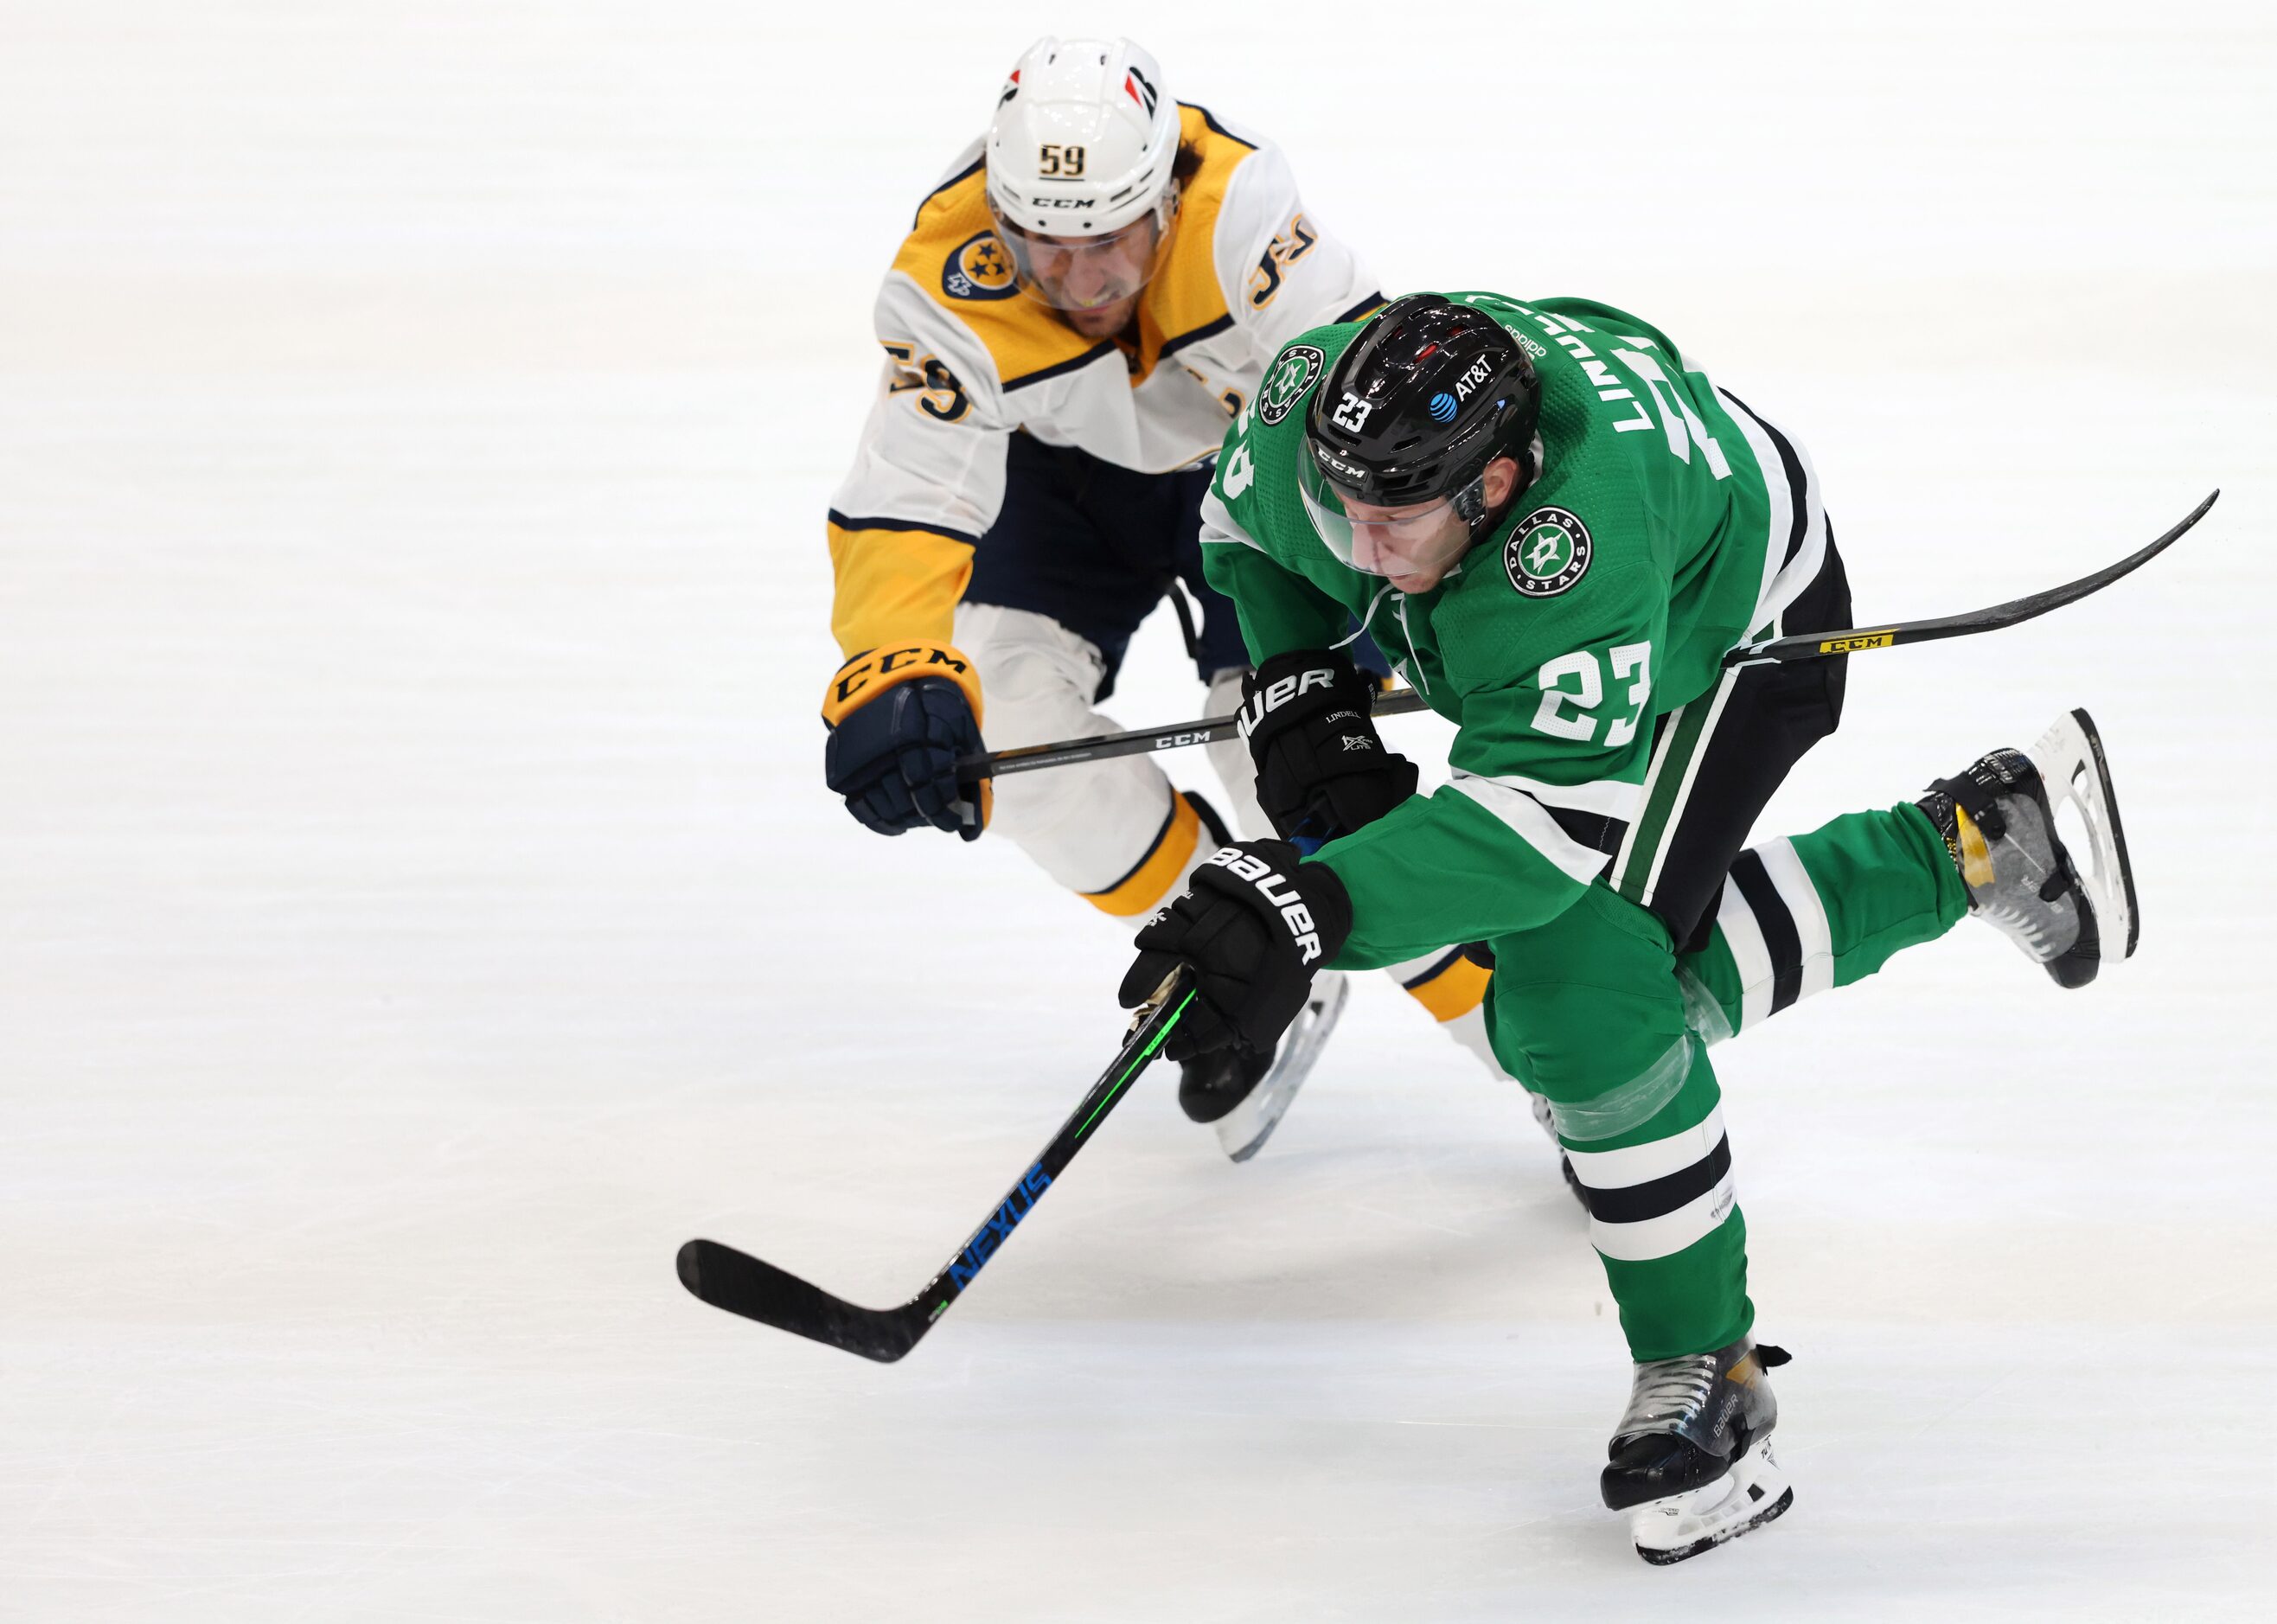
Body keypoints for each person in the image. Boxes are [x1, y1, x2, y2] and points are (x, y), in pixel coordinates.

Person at [1119, 291, 2136, 1561]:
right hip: (1623, 561)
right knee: (1597, 1028)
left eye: (1398, 525)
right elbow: (1241, 526)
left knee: (1580, 1000)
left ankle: (1711, 1377)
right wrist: (1296, 685)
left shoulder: (1570, 552)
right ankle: (1973, 841)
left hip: (1726, 618)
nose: (1364, 552)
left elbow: (1536, 836)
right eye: (1348, 515)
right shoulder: (1311, 411)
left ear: (1494, 485)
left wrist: (1304, 909)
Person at [820, 37, 1526, 1153]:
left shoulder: (1242, 211)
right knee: (993, 721)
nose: (1081, 284)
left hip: (1253, 477)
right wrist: (892, 661)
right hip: (1062, 485)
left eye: (1108, 241)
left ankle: (1540, 1047)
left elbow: (1371, 399)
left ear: (1164, 192)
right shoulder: (943, 276)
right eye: (1042, 249)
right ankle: (1232, 963)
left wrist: (1423, 605)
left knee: (1301, 780)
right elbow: (909, 493)